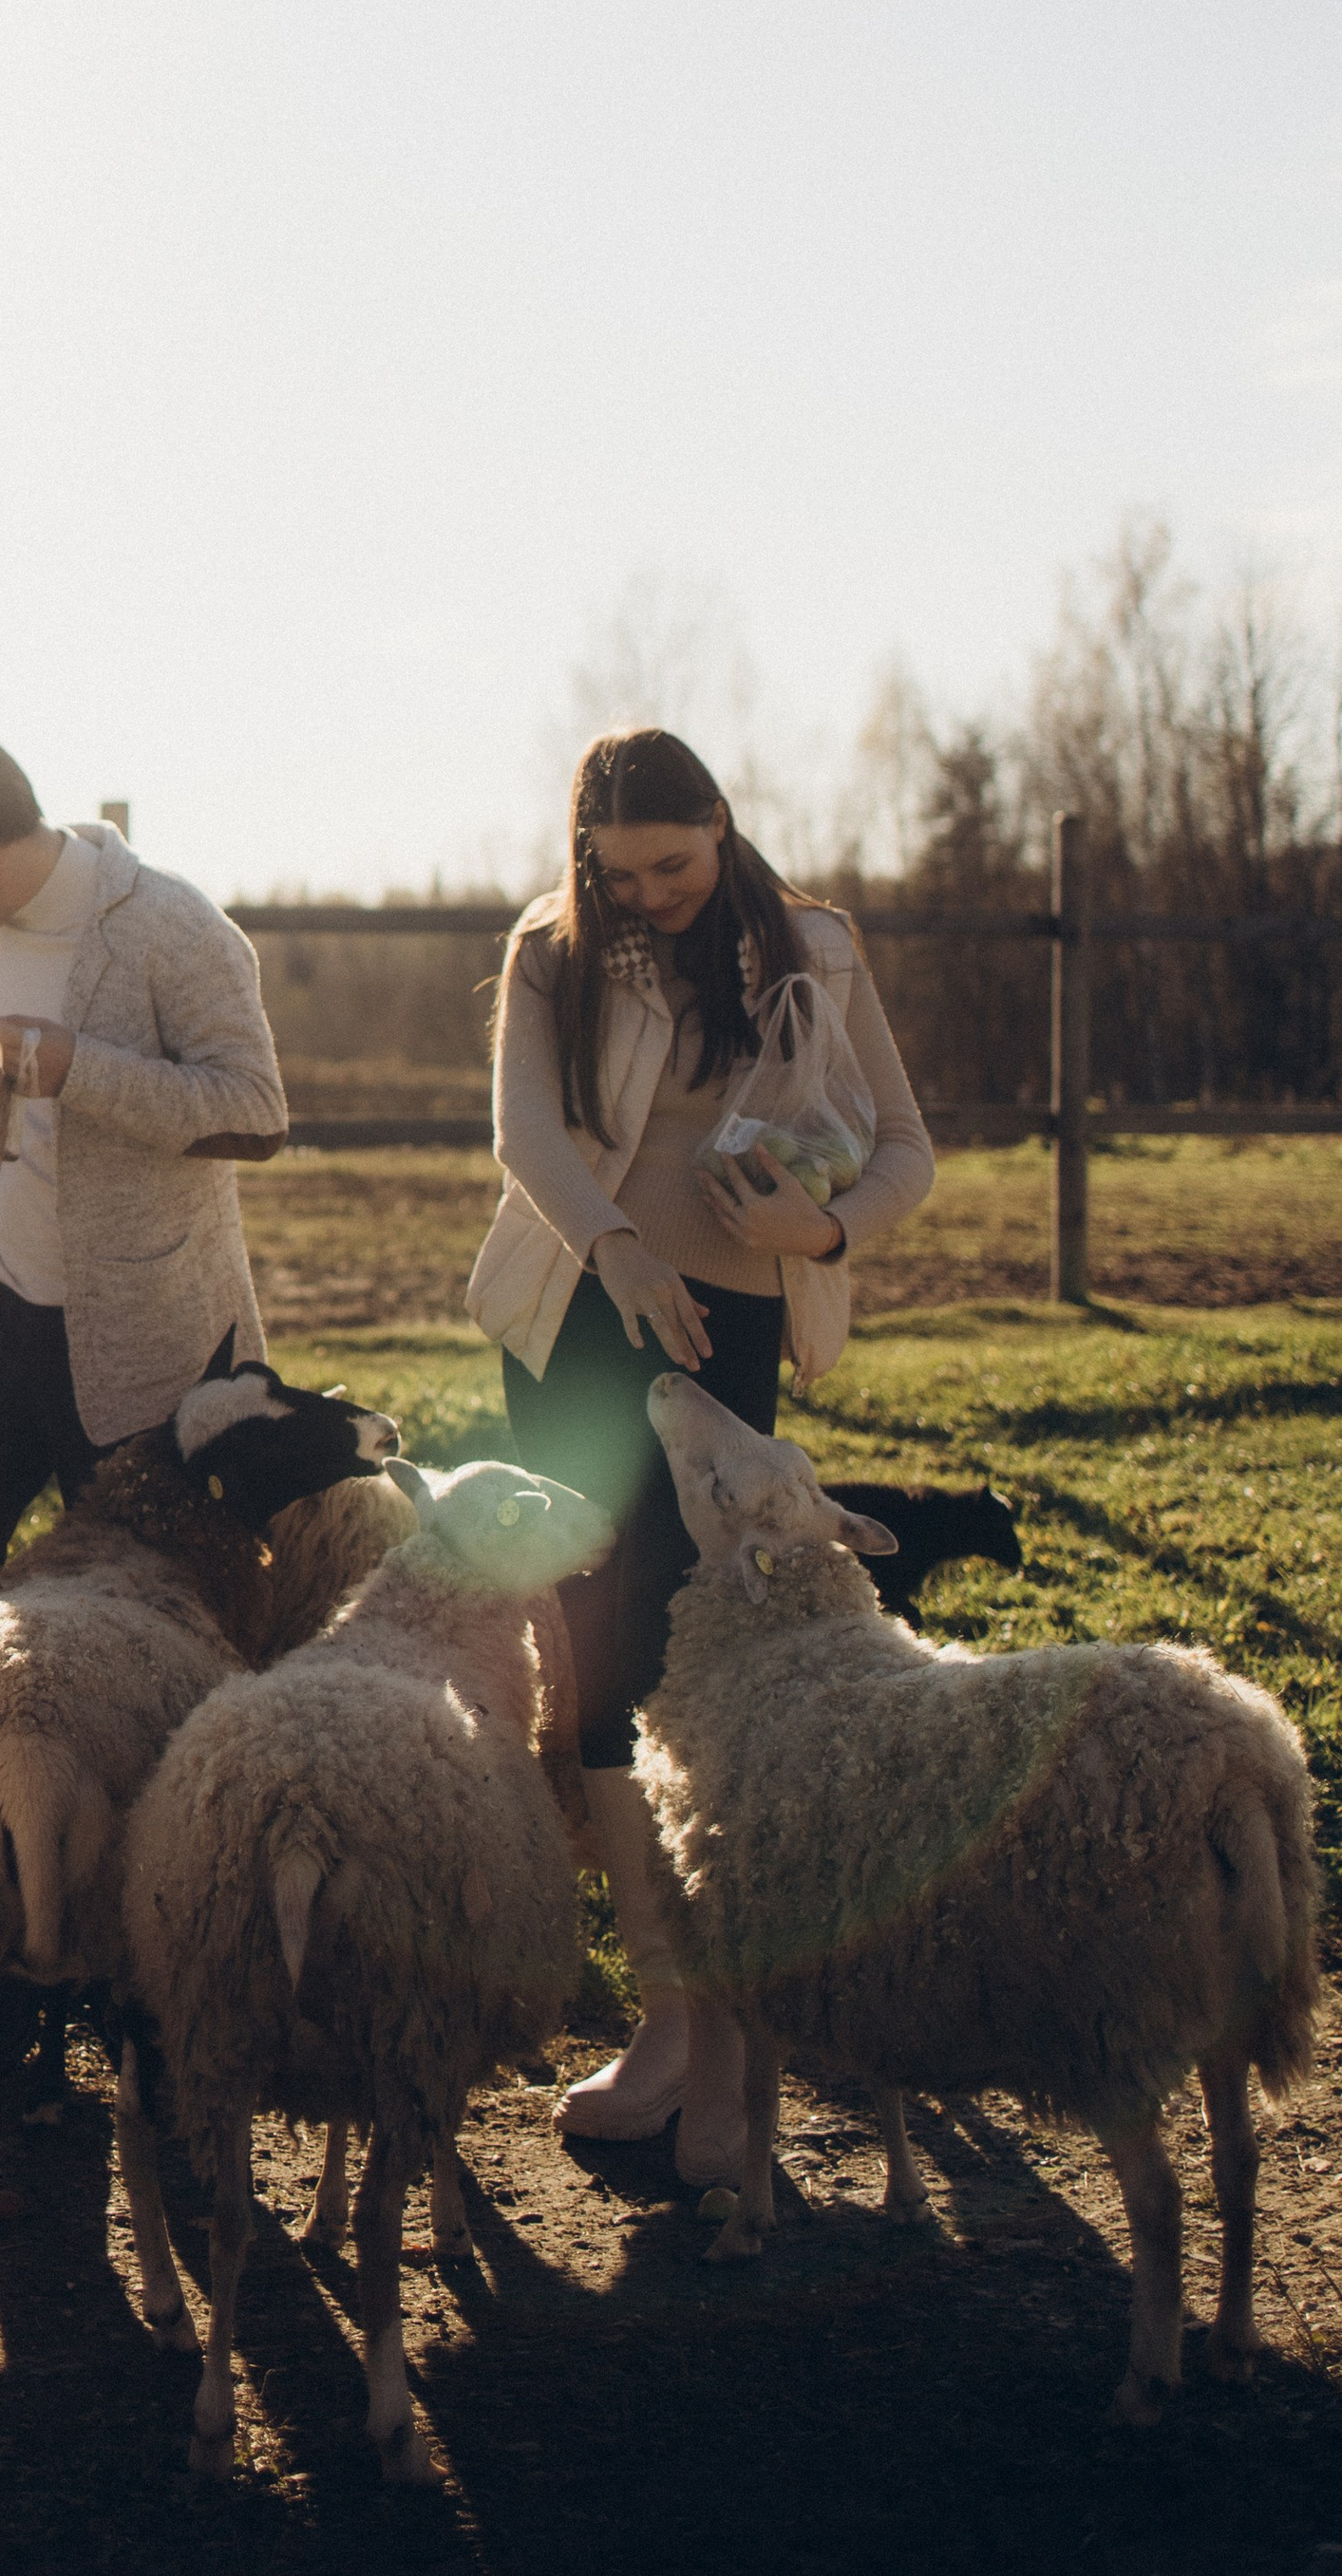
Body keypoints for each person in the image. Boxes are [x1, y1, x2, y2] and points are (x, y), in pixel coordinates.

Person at [470, 724, 934, 2184]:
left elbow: (909, 1144)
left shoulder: (814, 949)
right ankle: (667, 2020)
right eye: (621, 873)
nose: (652, 893)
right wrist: (614, 1252)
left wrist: (828, 1229)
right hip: (576, 1322)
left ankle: (739, 2034)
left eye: (674, 865)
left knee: (703, 1669)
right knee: (600, 1659)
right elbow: (522, 1135)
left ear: (723, 826)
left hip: (726, 1338)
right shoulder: (553, 951)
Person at [0, 728, 290, 1638]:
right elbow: (27, 1113)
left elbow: (254, 1112)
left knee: (153, 1609)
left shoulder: (176, 930)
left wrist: (76, 1065)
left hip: (134, 1329)